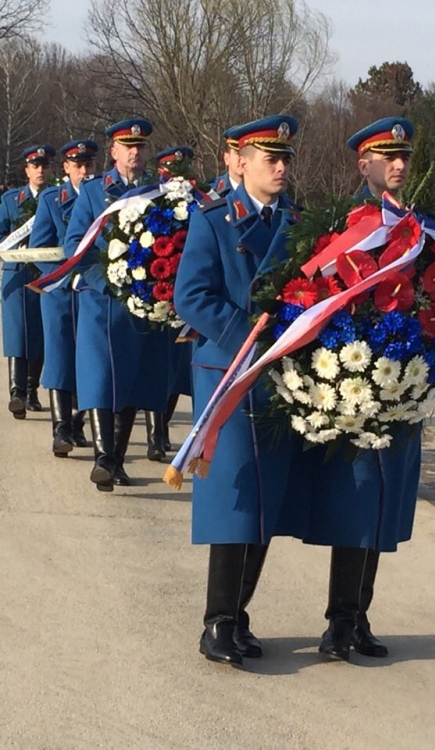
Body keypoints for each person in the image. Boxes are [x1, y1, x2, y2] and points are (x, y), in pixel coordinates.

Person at [277, 117, 419, 662]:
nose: (399, 165)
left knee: (381, 502)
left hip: (400, 383)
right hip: (356, 383)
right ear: (364, 165)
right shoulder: (348, 225)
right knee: (354, 498)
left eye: (404, 157)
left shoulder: (421, 226)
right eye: (388, 158)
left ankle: (359, 617)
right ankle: (338, 622)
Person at [174, 115, 302, 666]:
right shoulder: (215, 220)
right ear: (242, 163)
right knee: (234, 498)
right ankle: (217, 622)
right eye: (270, 158)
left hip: (279, 377)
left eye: (285, 159)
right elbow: (190, 296)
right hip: (229, 374)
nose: (280, 167)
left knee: (265, 499)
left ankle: (239, 614)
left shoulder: (296, 223)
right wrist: (247, 338)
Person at [64, 118, 172, 491]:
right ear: (113, 151)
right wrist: (103, 280)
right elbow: (74, 244)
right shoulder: (95, 192)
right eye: (128, 146)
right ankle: (103, 458)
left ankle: (117, 460)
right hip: (101, 302)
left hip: (142, 304)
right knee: (100, 376)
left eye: (140, 147)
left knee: (133, 379)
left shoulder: (159, 192)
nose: (135, 152)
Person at [30, 139, 99, 456]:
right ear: (66, 168)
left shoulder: (104, 197)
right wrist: (60, 276)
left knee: (89, 359)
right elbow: (40, 247)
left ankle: (77, 422)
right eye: (78, 166)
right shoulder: (52, 200)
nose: (84, 172)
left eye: (89, 165)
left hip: (91, 290)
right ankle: (60, 429)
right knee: (59, 357)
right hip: (59, 292)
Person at [143, 146, 195, 461]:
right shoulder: (151, 201)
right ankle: (154, 435)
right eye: (170, 171)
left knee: (175, 370)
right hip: (156, 294)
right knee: (155, 368)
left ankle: (160, 429)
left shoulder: (197, 202)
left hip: (182, 296)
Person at [0, 144, 55, 419]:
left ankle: (32, 390)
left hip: (47, 274)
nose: (40, 170)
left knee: (41, 332)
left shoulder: (58, 198)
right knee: (17, 332)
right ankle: (17, 392)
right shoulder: (12, 200)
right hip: (17, 272)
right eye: (35, 166)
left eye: (44, 166)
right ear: (27, 171)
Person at [209, 126, 243, 197]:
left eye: (248, 154)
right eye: (238, 153)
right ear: (227, 158)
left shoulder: (264, 191)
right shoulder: (211, 193)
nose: (243, 158)